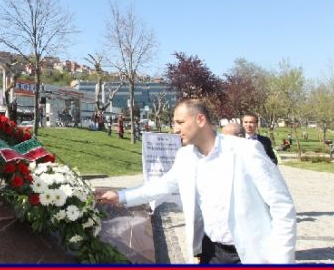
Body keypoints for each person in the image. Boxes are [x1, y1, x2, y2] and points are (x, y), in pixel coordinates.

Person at [95, 99, 296, 264]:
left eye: (180, 122)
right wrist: (120, 196)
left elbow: (282, 206)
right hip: (210, 253)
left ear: (200, 119)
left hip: (248, 254)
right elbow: (161, 186)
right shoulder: (185, 157)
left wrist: (281, 260)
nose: (175, 129)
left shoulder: (246, 151)